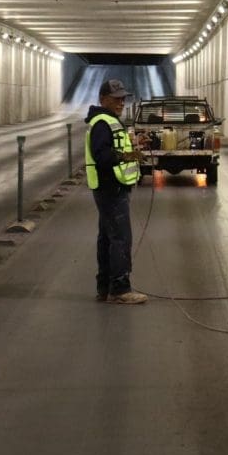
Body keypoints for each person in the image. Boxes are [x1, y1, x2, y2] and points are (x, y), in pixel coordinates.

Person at [85, 79, 148, 305]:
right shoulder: (102, 122)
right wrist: (128, 156)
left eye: (123, 98)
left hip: (111, 187)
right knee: (121, 238)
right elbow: (102, 155)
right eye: (116, 99)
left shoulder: (109, 120)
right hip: (110, 188)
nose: (121, 102)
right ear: (103, 99)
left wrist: (134, 144)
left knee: (107, 238)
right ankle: (120, 289)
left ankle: (104, 288)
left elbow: (115, 147)